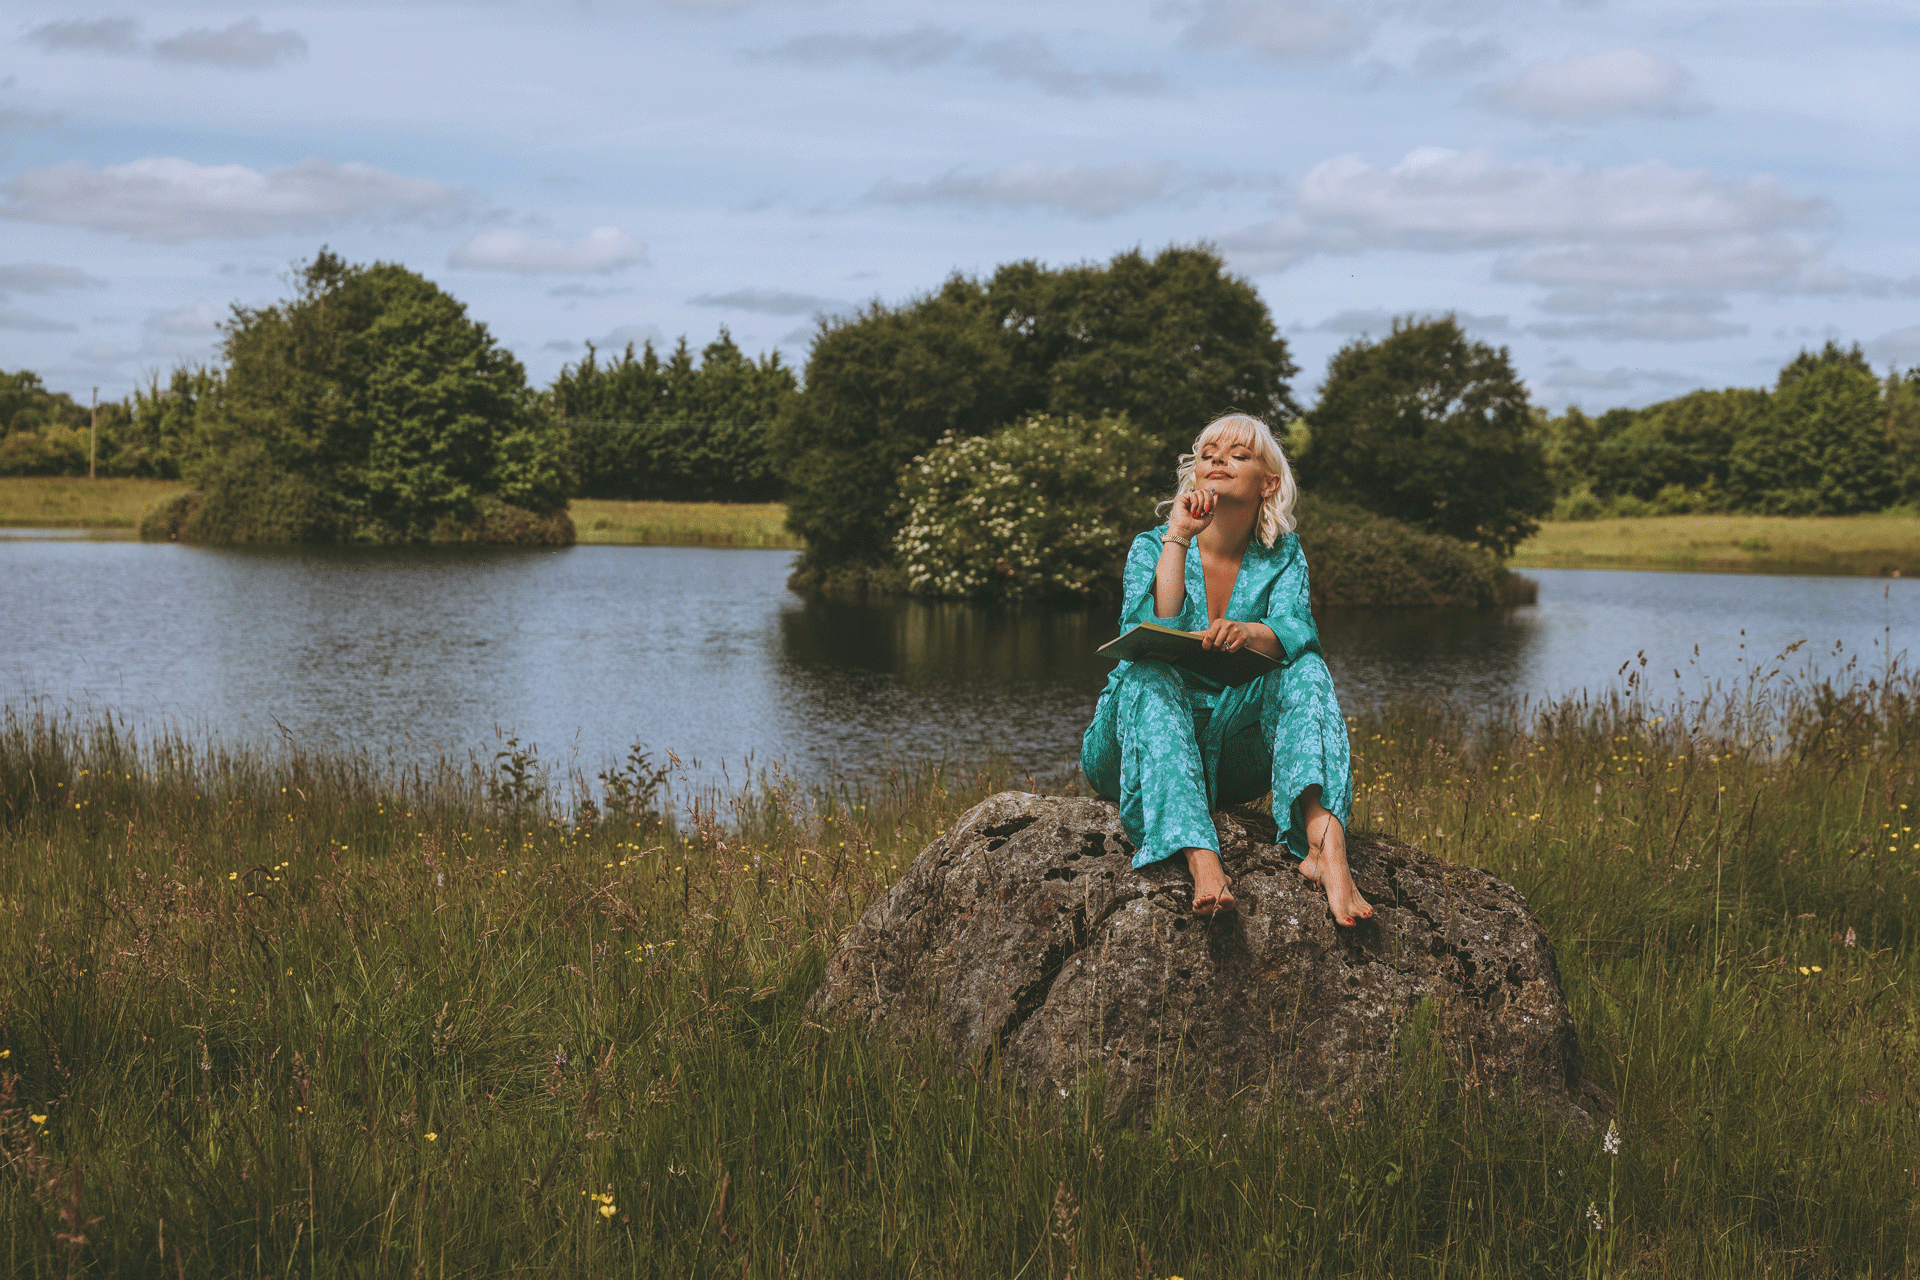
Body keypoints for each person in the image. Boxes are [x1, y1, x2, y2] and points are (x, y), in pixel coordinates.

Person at [1080, 413, 1374, 925]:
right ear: (1195, 473)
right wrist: (1178, 536)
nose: (1218, 461)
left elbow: (1298, 629)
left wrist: (1249, 632)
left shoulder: (1283, 554)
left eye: (1239, 455)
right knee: (1150, 673)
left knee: (1306, 669)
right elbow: (1150, 629)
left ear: (1269, 483)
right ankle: (1202, 858)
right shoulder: (1152, 544)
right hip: (1134, 740)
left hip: (1231, 753)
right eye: (1208, 454)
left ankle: (1326, 848)